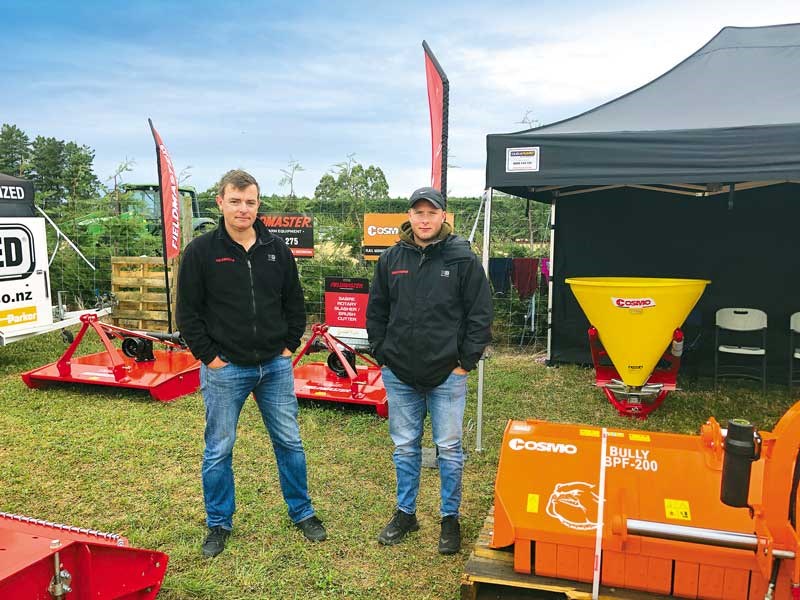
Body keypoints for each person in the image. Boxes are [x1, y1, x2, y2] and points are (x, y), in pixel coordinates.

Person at [176, 169, 326, 558]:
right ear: (220, 202)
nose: (243, 208)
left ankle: (302, 512)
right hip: (226, 369)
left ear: (258, 205)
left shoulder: (276, 249)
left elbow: (295, 302)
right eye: (236, 200)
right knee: (219, 449)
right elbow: (188, 314)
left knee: (290, 442)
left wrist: (289, 345)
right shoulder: (201, 252)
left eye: (251, 202)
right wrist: (211, 358)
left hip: (274, 368)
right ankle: (219, 523)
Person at [366, 186, 493, 555]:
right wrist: (382, 353)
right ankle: (406, 513)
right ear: (410, 216)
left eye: (431, 213)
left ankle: (449, 518)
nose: (424, 219)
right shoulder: (391, 258)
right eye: (418, 213)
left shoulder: (462, 259)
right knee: (405, 447)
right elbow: (377, 310)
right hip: (400, 373)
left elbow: (480, 314)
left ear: (443, 217)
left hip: (447, 375)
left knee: (449, 449)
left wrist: (464, 363)